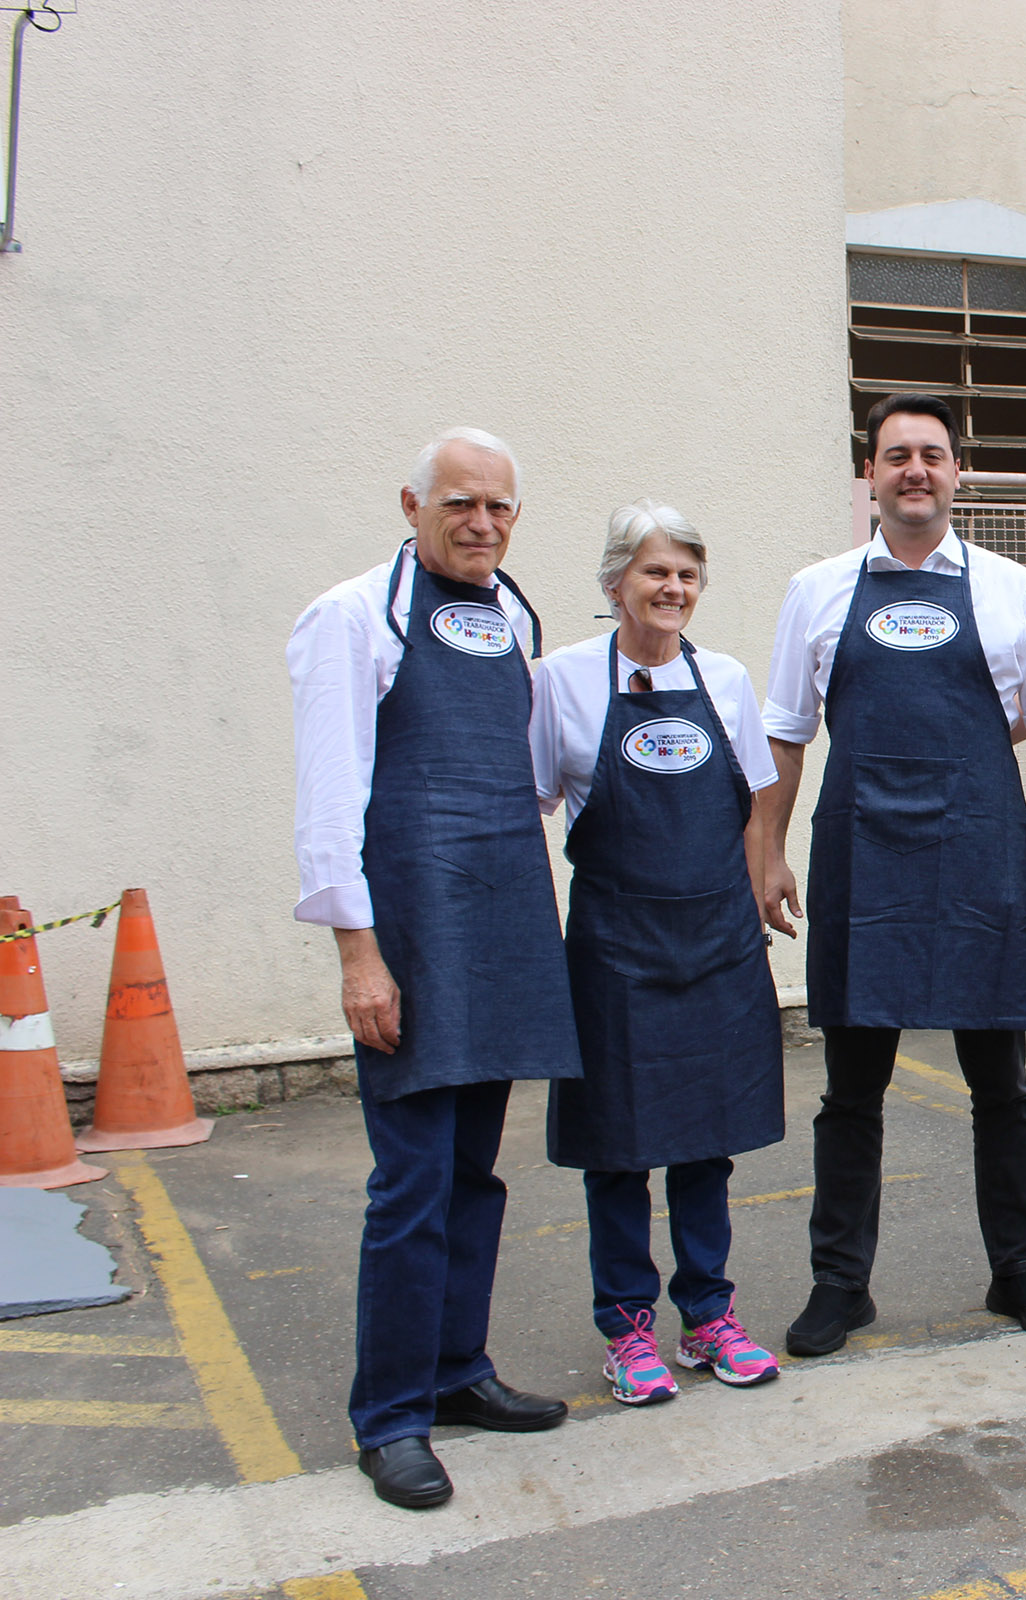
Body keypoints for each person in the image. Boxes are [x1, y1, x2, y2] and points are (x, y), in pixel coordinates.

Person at [756, 393, 1026, 1355]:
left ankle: (1018, 1268)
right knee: (851, 1092)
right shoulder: (816, 589)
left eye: (932, 455)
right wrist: (767, 849)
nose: (915, 469)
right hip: (863, 862)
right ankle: (840, 1284)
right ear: (868, 474)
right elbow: (785, 732)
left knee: (1005, 1088)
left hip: (980, 858)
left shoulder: (1011, 587)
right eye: (896, 454)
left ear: (958, 474)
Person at [287, 428, 580, 1510]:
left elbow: (533, 778)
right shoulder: (351, 617)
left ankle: (460, 1373)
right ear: (411, 501)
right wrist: (359, 957)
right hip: (408, 937)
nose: (483, 525)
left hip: (501, 925)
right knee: (410, 1182)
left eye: (501, 508)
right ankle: (392, 1417)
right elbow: (330, 805)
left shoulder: (512, 618)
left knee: (475, 1176)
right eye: (462, 504)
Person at [530, 500, 785, 1406]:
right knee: (618, 1147)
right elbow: (531, 812)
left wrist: (767, 883)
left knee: (707, 1143)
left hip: (716, 943)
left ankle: (709, 1316)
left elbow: (755, 802)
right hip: (615, 949)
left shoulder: (725, 680)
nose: (672, 588)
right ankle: (627, 1326)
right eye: (654, 572)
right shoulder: (560, 682)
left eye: (686, 574)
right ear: (615, 586)